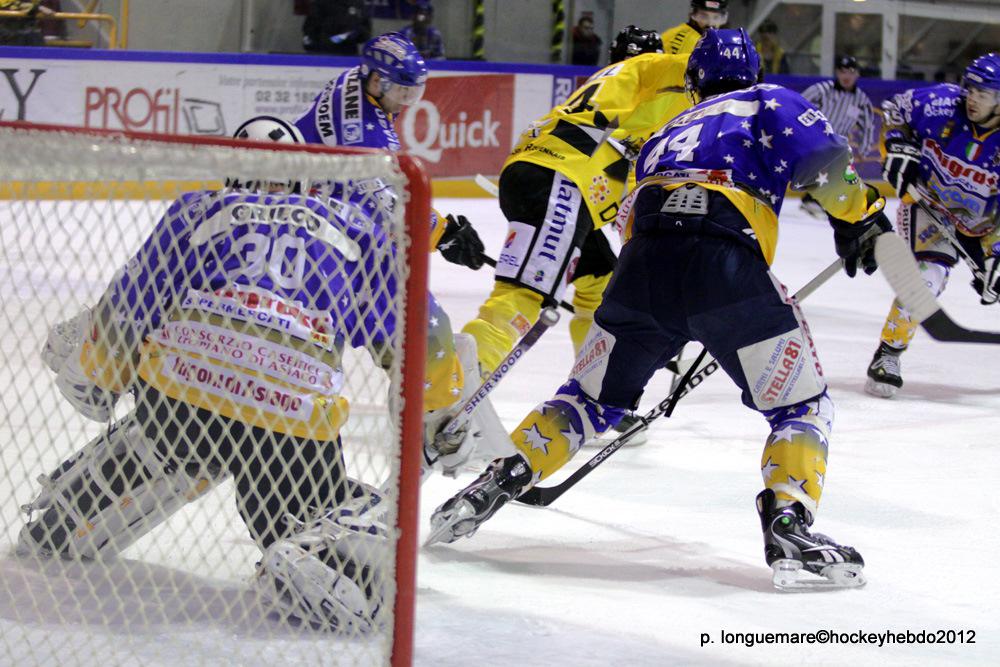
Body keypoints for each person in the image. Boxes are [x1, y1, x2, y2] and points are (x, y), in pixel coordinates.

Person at [430, 29, 895, 591]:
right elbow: (825, 160)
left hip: (640, 273)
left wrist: (675, 316)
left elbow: (632, 222)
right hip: (727, 271)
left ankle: (492, 483)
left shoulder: (663, 133)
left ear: (693, 80)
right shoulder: (767, 99)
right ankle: (789, 526)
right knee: (802, 406)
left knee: (584, 401)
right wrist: (861, 216)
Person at [14, 116, 475, 632]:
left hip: (177, 406)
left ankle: (67, 516)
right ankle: (314, 556)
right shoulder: (358, 228)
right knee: (299, 514)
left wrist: (101, 376)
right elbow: (423, 331)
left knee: (160, 434)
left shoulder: (197, 209)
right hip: (289, 425)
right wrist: (438, 410)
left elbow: (129, 303)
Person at [460, 24, 681, 444]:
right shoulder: (655, 97)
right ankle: (451, 393)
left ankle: (596, 393)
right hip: (562, 186)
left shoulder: (604, 85)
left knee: (601, 284)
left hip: (552, 184)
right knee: (524, 297)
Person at [864, 53, 1000, 398]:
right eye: (971, 89)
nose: (973, 98)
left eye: (984, 94)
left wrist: (997, 253)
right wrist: (896, 145)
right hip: (928, 205)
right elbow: (894, 110)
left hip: (984, 224)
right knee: (928, 276)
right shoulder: (941, 103)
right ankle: (888, 353)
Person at [294, 31, 485, 272]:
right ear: (376, 81)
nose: (405, 101)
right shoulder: (362, 131)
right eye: (400, 91)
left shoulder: (359, 80)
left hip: (312, 186)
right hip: (305, 206)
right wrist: (441, 234)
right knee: (382, 266)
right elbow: (382, 200)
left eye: (412, 92)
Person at [799, 55, 877, 218]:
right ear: (837, 72)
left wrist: (864, 149)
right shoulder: (822, 89)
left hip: (838, 146)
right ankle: (812, 200)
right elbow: (798, 103)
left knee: (838, 175)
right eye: (843, 71)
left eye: (851, 72)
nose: (846, 76)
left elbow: (867, 126)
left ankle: (814, 200)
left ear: (857, 74)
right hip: (814, 140)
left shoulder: (861, 100)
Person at [302, 0, 371, 55]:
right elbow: (309, 29)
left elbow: (365, 31)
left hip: (349, 54)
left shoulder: (357, 4)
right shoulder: (320, 3)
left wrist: (353, 34)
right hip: (322, 53)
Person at [660, 0, 727, 55]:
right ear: (694, 14)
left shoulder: (719, 42)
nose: (710, 23)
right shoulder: (686, 39)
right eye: (703, 16)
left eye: (716, 18)